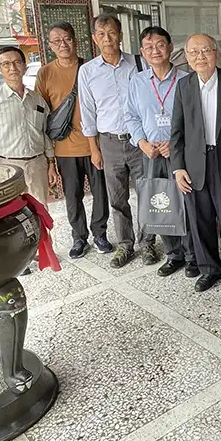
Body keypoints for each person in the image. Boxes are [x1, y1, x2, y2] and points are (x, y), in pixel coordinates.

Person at [171, 35, 221, 294]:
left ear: (216, 53)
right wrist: (178, 167)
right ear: (186, 57)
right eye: (194, 52)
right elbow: (177, 131)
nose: (200, 57)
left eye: (205, 50)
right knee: (200, 218)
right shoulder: (184, 86)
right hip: (194, 163)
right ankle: (209, 269)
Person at [35, 22, 113, 259]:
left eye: (67, 39)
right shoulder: (45, 73)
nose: (62, 44)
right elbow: (42, 114)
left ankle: (100, 233)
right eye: (57, 41)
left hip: (95, 145)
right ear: (50, 45)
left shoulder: (91, 68)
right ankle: (79, 237)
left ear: (76, 40)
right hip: (64, 148)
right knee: (73, 195)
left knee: (101, 192)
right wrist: (48, 158)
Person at [125, 26, 198, 276]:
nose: (155, 50)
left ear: (169, 48)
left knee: (186, 203)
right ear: (143, 53)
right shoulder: (137, 82)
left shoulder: (186, 80)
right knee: (161, 202)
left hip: (180, 153)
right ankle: (173, 254)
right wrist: (142, 142)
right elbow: (131, 117)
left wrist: (177, 143)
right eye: (148, 47)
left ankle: (192, 256)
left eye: (159, 45)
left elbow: (195, 119)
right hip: (151, 153)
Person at [79, 14, 143, 269]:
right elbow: (87, 112)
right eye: (102, 34)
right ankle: (126, 245)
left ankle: (148, 242)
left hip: (139, 141)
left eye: (112, 33)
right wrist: (93, 149)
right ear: (95, 39)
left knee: (147, 192)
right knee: (117, 198)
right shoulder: (88, 71)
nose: (108, 39)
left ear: (121, 35)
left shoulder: (138, 64)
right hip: (109, 142)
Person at [0, 46, 58, 207]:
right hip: (5, 166)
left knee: (40, 211)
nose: (13, 68)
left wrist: (51, 163)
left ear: (24, 66)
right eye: (6, 64)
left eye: (17, 62)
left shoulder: (37, 100)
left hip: (37, 165)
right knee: (12, 213)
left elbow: (44, 133)